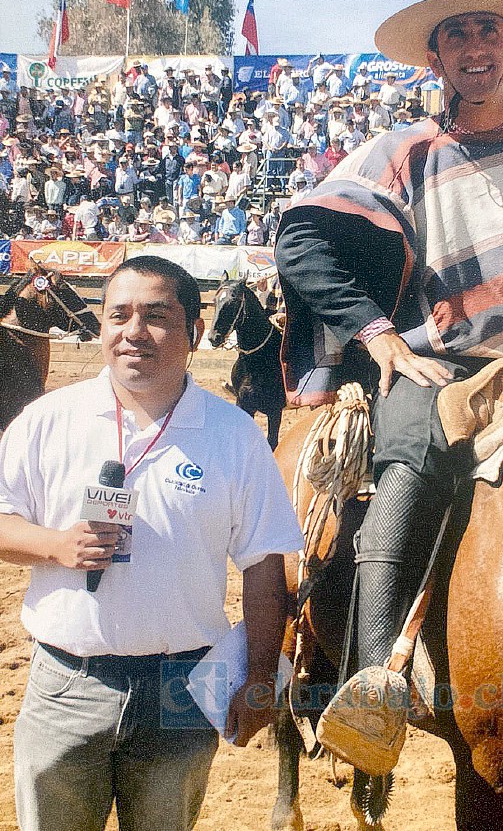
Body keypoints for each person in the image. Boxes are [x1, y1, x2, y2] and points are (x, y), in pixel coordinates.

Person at [275, 0, 503, 766]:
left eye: (488, 32)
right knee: (413, 451)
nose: (475, 47)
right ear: (435, 57)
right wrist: (380, 338)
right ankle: (367, 685)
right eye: (457, 34)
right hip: (449, 367)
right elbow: (300, 240)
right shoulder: (401, 152)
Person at [0, 255, 303, 831]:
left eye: (157, 316)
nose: (134, 332)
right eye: (119, 315)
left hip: (180, 693)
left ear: (193, 332)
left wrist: (262, 676)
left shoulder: (233, 435)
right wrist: (55, 546)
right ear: (102, 328)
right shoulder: (48, 420)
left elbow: (265, 566)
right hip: (66, 685)